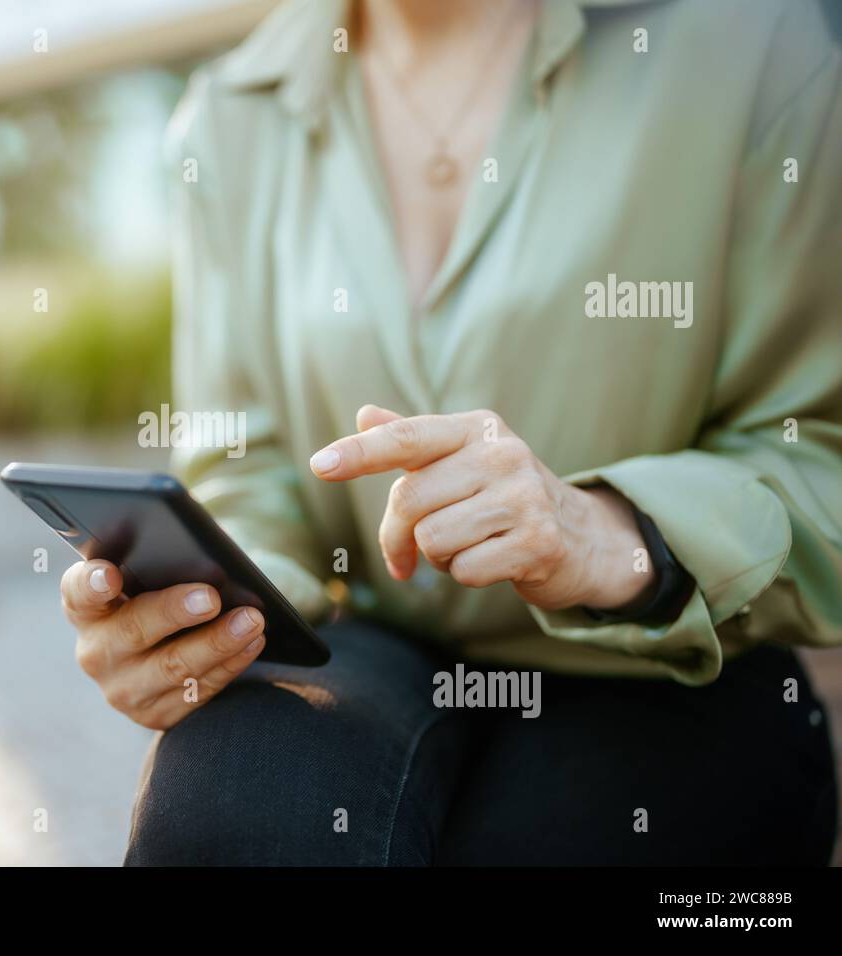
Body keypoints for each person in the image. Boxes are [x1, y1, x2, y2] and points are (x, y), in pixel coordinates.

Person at [60, 0, 842, 864]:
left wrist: (604, 530)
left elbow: (825, 453)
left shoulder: (754, 42)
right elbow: (247, 473)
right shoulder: (228, 111)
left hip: (667, 663)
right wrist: (207, 609)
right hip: (363, 643)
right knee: (229, 807)